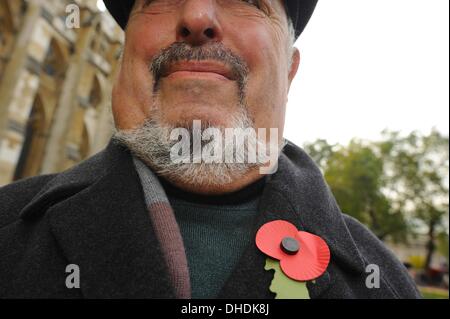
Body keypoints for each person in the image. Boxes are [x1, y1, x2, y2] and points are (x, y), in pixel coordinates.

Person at [0, 0, 420, 298]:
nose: (197, 15)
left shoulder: (383, 284)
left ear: (289, 72)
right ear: (123, 51)